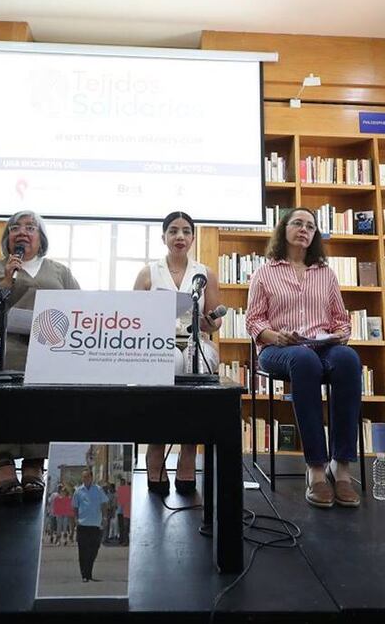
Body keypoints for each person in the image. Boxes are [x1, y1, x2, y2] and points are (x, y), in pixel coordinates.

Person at [0, 210, 80, 504]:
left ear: (41, 237)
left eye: (30, 227)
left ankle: (36, 463)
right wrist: (3, 285)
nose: (22, 232)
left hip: (47, 347)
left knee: (49, 375)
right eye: (15, 228)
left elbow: (80, 312)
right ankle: (2, 462)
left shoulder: (59, 271)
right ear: (7, 238)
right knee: (7, 364)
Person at [245, 207, 361, 508]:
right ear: (284, 229)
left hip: (322, 345)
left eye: (310, 226)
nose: (304, 229)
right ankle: (316, 468)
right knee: (304, 362)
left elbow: (340, 319)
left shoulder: (326, 273)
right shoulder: (265, 272)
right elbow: (254, 321)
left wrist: (340, 334)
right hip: (278, 349)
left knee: (348, 359)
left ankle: (342, 466)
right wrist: (274, 336)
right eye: (297, 223)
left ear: (315, 235)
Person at [133, 211, 222, 496]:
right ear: (164, 237)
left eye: (185, 231)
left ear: (193, 237)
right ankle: (156, 450)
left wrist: (211, 320)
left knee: (201, 363)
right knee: (168, 363)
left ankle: (188, 452)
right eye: (173, 231)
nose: (180, 236)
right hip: (160, 342)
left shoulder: (205, 273)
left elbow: (215, 320)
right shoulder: (149, 272)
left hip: (197, 339)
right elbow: (133, 316)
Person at [72, 469, 108, 583]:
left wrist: (104, 517)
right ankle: (84, 575)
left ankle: (89, 572)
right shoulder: (78, 491)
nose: (85, 479)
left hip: (95, 524)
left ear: (91, 478)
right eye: (84, 477)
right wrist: (76, 519)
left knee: (94, 550)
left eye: (87, 477)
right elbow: (75, 506)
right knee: (83, 551)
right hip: (82, 524)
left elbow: (104, 503)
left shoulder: (98, 489)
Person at [115, 476, 130, 546]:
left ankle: (125, 540)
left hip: (125, 511)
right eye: (121, 483)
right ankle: (121, 539)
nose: (122, 484)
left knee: (125, 527)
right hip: (119, 511)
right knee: (121, 527)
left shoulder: (127, 490)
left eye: (123, 483)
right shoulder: (119, 490)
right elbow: (117, 500)